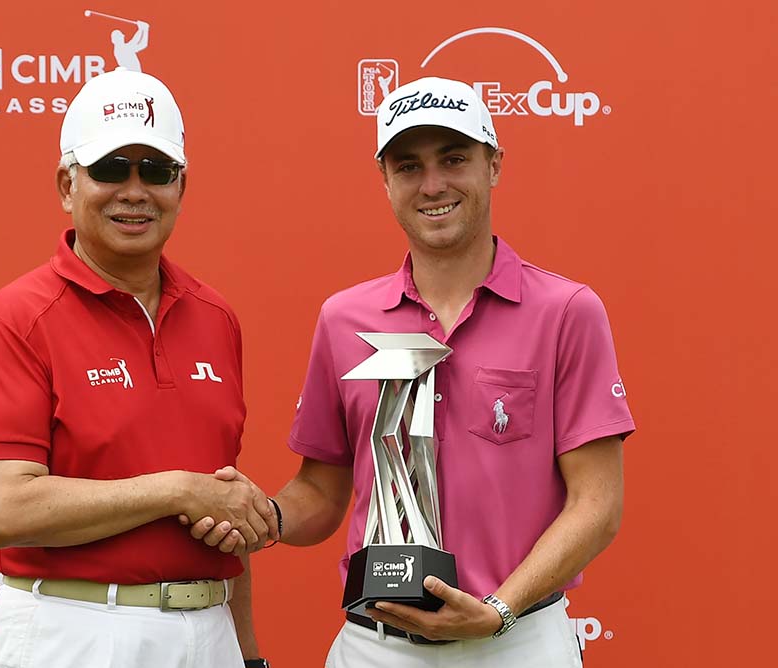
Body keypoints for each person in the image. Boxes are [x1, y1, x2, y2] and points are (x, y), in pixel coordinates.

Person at [187, 77, 634, 667]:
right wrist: (264, 516)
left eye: (454, 160)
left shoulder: (566, 312)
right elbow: (323, 489)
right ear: (385, 180)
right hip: (376, 647)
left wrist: (499, 609)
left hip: (518, 639)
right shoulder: (344, 318)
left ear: (494, 165)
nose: (432, 185)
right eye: (408, 166)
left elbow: (597, 505)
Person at [0, 67, 276, 668]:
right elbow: (4, 510)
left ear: (181, 187)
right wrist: (177, 490)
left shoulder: (216, 317)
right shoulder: (19, 316)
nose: (135, 191)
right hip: (74, 628)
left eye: (156, 171)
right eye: (111, 169)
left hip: (208, 629)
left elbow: (222, 506)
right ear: (66, 183)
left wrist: (249, 654)